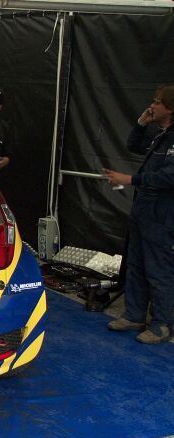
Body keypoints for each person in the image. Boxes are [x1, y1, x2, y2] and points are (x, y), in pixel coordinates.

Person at [103, 85, 174, 345]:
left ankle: (162, 324)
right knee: (136, 264)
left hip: (162, 214)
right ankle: (134, 314)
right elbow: (134, 145)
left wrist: (130, 179)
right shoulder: (160, 135)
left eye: (157, 102)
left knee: (158, 269)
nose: (152, 105)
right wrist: (142, 123)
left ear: (171, 108)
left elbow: (168, 177)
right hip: (143, 210)